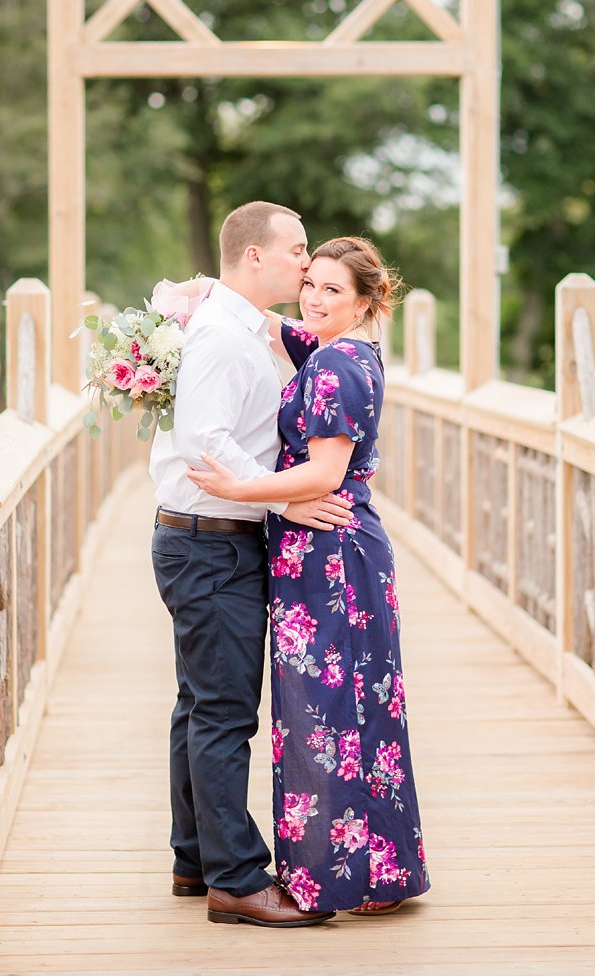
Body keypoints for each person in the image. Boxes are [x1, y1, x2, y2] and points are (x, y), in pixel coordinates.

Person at [187, 236, 429, 916]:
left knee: (330, 712)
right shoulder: (331, 348)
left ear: (366, 302)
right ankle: (377, 870)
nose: (315, 299)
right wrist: (199, 293)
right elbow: (272, 324)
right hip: (320, 552)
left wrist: (238, 489)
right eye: (311, 283)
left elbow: (324, 473)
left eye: (332, 290)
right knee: (348, 706)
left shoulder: (336, 369)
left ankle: (348, 875)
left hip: (332, 556)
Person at [149, 201, 356, 928]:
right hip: (211, 540)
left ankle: (193, 856)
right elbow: (202, 439)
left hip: (211, 538)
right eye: (297, 250)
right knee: (225, 712)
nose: (308, 263)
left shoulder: (239, 326)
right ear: (257, 257)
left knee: (199, 704)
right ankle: (236, 877)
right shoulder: (222, 339)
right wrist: (283, 504)